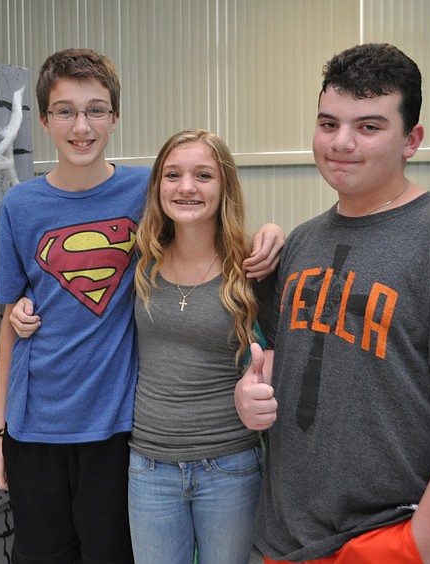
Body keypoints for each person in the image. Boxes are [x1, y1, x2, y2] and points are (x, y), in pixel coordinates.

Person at [234, 43, 430, 564]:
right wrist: (251, 393)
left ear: (412, 140)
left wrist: (415, 544)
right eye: (328, 122)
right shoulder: (302, 242)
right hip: (281, 542)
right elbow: (294, 360)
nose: (341, 142)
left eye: (368, 126)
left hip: (386, 540)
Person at [0, 49, 282, 564]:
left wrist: (270, 232)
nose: (81, 126)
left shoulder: (144, 190)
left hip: (116, 427)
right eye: (65, 111)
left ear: (115, 118)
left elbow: (204, 215)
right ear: (43, 119)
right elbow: (10, 320)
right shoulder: (20, 206)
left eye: (96, 110)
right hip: (34, 423)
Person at [127, 128, 275, 564]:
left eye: (203, 175)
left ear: (224, 185)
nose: (186, 187)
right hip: (150, 466)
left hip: (230, 465)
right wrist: (24, 303)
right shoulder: (140, 261)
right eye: (172, 175)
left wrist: (273, 231)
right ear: (157, 187)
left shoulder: (252, 264)